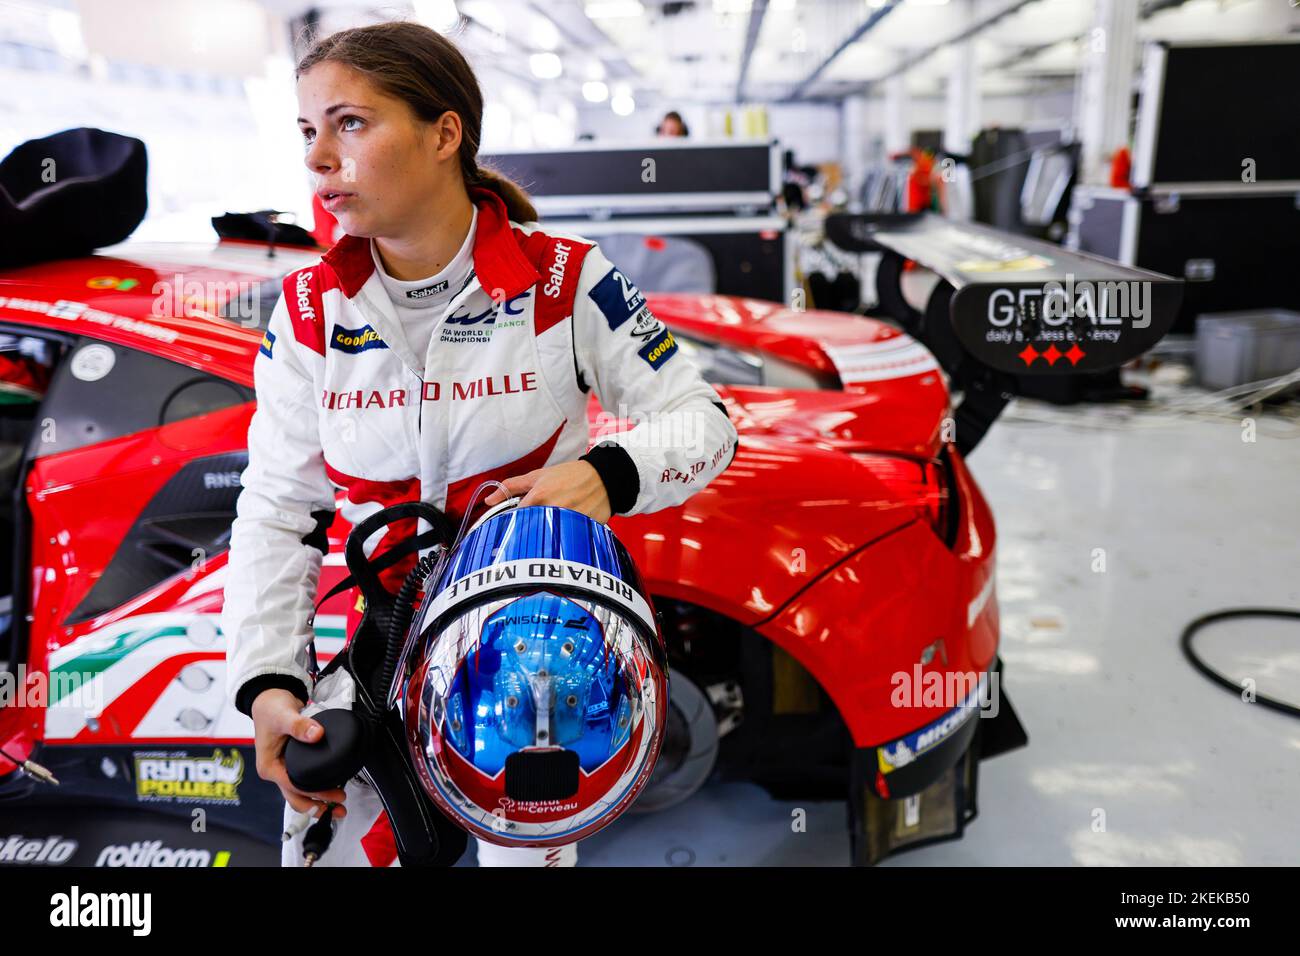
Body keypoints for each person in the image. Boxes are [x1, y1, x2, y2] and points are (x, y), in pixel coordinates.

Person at [220, 20, 738, 868]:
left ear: (444, 133)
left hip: (535, 669)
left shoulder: (566, 279)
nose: (319, 159)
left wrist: (605, 474)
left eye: (349, 123)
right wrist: (271, 682)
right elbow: (279, 509)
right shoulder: (310, 311)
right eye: (309, 131)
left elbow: (705, 422)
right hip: (377, 662)